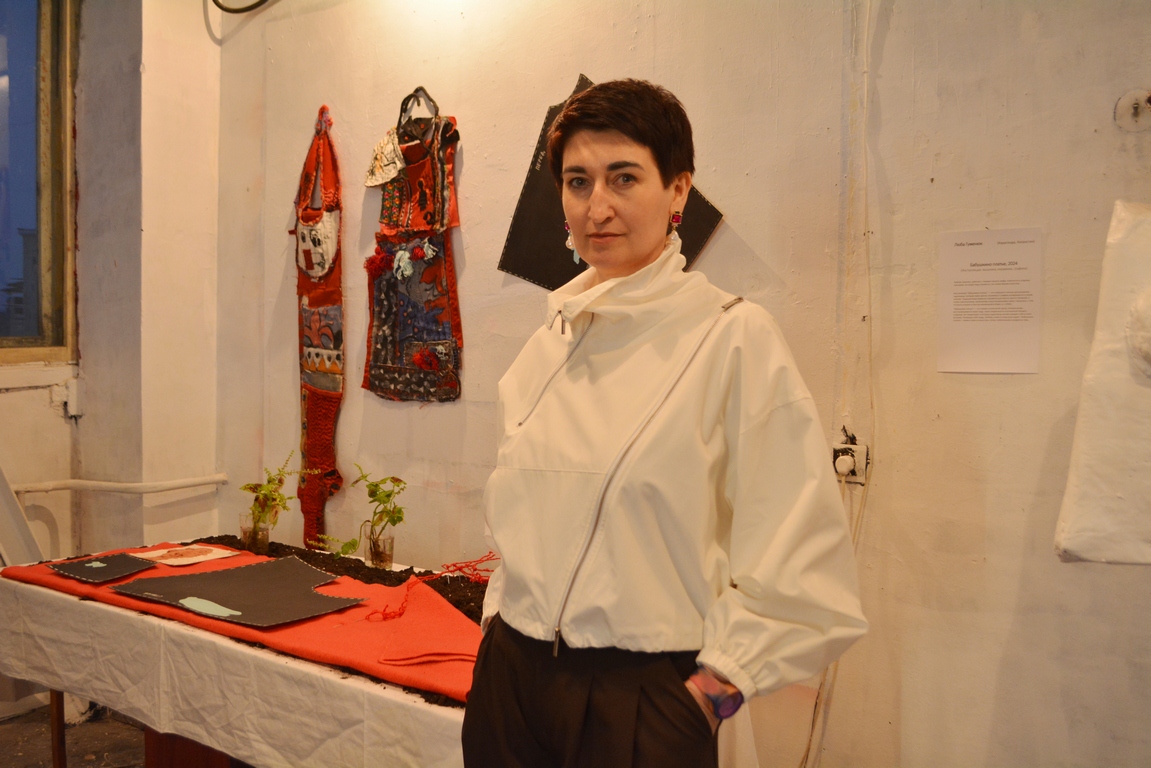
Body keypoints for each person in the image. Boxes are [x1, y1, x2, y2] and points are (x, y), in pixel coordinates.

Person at [462, 79, 867, 768]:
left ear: (678, 189)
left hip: (639, 702)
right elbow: (516, 528)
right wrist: (497, 628)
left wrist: (706, 699)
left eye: (624, 178)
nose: (597, 207)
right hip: (511, 686)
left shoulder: (731, 338)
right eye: (577, 182)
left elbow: (805, 564)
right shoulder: (546, 347)